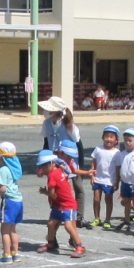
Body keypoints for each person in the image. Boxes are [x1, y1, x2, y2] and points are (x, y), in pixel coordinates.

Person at [39, 96, 86, 225]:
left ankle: (79, 216)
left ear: (56, 111)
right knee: (54, 186)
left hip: (70, 159)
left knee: (78, 187)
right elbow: (46, 143)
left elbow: (79, 144)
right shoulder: (47, 123)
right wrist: (43, 164)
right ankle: (57, 212)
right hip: (54, 160)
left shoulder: (68, 125)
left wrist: (80, 164)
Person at [35, 149, 86, 257]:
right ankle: (51, 243)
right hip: (59, 205)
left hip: (67, 205)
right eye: (41, 166)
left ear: (51, 163)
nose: (42, 169)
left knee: (68, 226)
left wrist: (45, 192)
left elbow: (52, 194)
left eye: (43, 166)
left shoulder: (52, 175)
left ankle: (79, 246)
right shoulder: (58, 168)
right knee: (51, 224)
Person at [90, 125, 121, 228]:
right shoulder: (98, 149)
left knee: (108, 200)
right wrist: (92, 175)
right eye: (106, 136)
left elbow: (117, 168)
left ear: (116, 140)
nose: (108, 139)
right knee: (96, 199)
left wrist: (117, 181)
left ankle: (107, 220)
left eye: (111, 137)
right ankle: (97, 218)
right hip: (98, 179)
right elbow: (93, 162)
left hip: (109, 180)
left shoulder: (117, 153)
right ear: (103, 137)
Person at [116, 127, 134, 230]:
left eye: (130, 140)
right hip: (125, 182)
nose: (127, 142)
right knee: (126, 202)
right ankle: (126, 220)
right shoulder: (122, 154)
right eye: (126, 140)